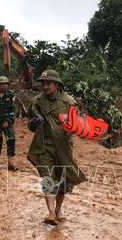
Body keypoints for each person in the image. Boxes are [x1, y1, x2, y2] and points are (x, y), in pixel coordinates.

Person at [27, 70, 86, 225]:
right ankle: (51, 213)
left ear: (57, 85)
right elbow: (31, 125)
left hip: (63, 147)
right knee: (48, 177)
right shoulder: (36, 101)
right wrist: (34, 123)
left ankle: (58, 211)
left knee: (63, 181)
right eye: (43, 83)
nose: (45, 86)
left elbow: (80, 124)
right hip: (43, 146)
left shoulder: (69, 102)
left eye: (49, 83)